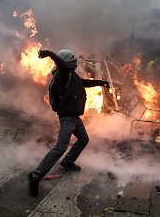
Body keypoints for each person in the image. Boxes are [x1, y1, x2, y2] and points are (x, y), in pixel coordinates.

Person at [27, 49, 110, 196]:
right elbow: (63, 65)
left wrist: (101, 82)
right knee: (60, 147)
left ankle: (67, 161)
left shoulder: (71, 74)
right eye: (72, 58)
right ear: (65, 60)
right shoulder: (63, 74)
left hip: (74, 116)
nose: (75, 60)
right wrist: (50, 54)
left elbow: (83, 82)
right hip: (68, 117)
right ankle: (36, 175)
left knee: (84, 139)